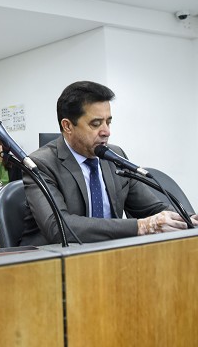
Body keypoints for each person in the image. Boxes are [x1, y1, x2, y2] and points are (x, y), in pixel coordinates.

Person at [20, 80, 191, 246]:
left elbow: (152, 209)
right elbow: (58, 227)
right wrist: (140, 226)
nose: (106, 132)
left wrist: (189, 219)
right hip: (51, 258)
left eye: (108, 122)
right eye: (96, 124)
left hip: (109, 255)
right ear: (68, 126)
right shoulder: (40, 164)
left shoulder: (115, 156)